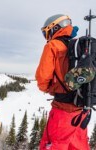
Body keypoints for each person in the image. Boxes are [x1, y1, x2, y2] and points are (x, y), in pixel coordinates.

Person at [35, 14, 90, 150]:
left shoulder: (53, 46)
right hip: (81, 110)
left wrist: (49, 88)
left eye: (46, 32)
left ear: (55, 28)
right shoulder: (81, 47)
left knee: (53, 145)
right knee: (78, 146)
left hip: (62, 111)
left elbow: (42, 78)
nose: (47, 36)